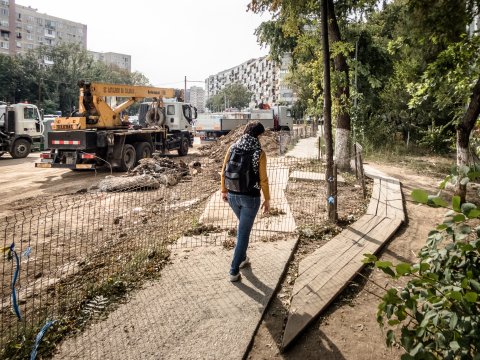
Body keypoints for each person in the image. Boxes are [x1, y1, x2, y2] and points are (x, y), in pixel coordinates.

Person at [221, 121, 270, 282]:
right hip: (251, 198)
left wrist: (224, 190)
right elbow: (263, 180)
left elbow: (223, 171)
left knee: (243, 228)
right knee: (243, 234)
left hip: (233, 196)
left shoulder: (233, 147)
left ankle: (242, 259)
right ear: (258, 135)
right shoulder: (259, 153)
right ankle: (233, 271)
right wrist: (267, 199)